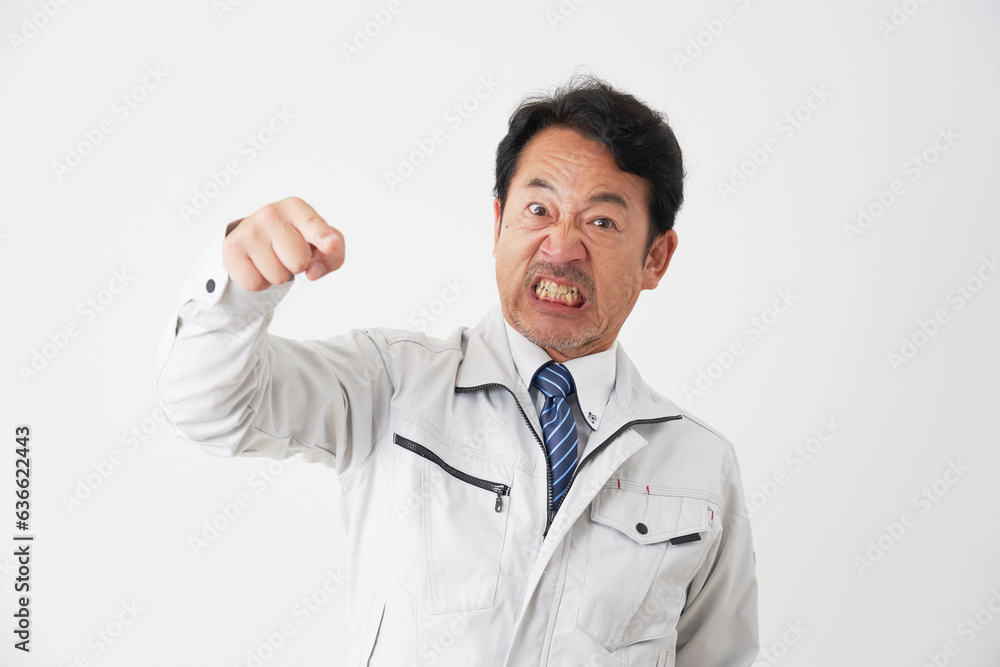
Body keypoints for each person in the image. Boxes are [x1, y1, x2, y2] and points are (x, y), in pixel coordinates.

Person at [155, 76, 759, 666]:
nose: (561, 246)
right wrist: (236, 290)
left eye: (601, 222)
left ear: (656, 258)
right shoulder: (391, 382)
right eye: (538, 209)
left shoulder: (703, 468)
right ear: (498, 224)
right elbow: (210, 408)